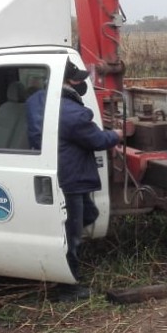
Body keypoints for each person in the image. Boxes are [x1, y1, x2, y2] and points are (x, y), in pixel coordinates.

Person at [26, 61, 122, 299]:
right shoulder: (72, 113)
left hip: (55, 173)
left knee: (89, 215)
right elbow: (98, 140)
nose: (80, 83)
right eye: (76, 79)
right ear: (65, 82)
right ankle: (67, 287)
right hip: (71, 179)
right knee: (72, 234)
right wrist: (117, 134)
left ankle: (64, 263)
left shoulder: (36, 101)